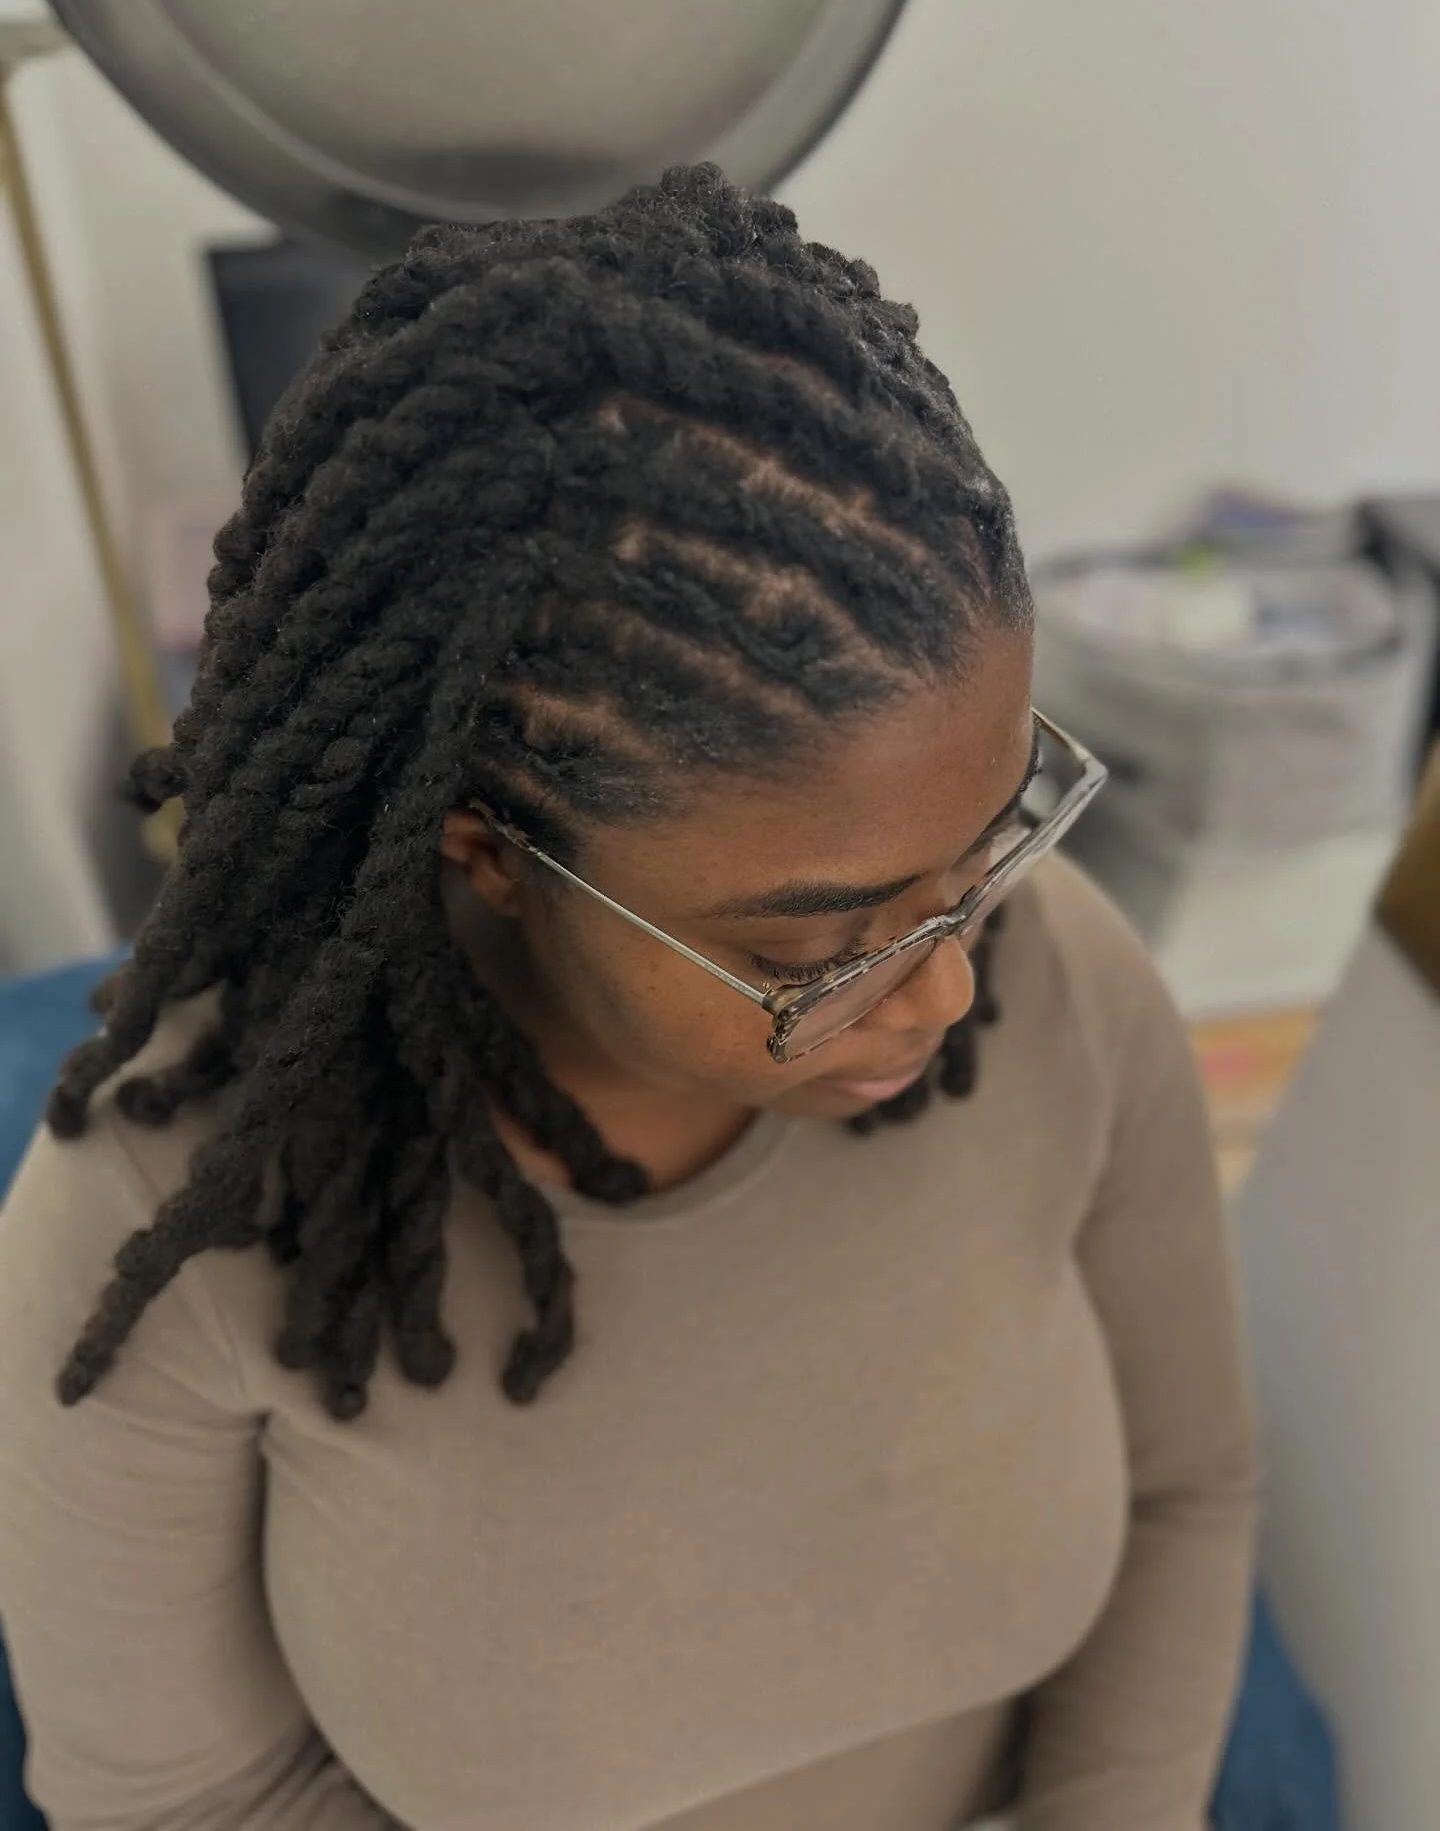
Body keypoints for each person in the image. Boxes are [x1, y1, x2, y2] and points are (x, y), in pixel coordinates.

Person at [0, 166, 1255, 1831]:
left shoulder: (1065, 978)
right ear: (490, 853)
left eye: (986, 849)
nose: (947, 986)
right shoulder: (168, 1215)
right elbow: (184, 1803)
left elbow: (1191, 1492)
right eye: (817, 949)